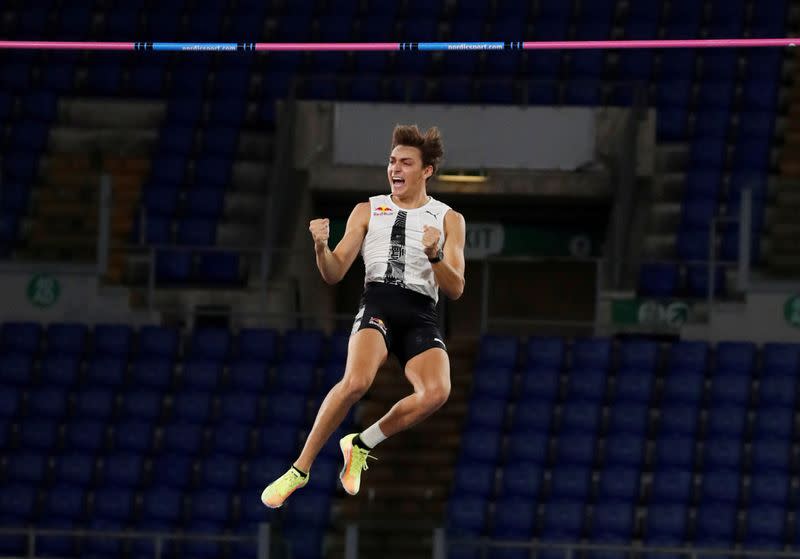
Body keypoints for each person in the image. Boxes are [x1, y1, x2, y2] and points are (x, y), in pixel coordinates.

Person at [261, 124, 466, 508]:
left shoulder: (448, 218)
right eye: (392, 162)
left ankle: (360, 443)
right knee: (356, 381)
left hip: (421, 312)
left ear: (426, 171)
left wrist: (435, 255)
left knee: (437, 392)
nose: (395, 169)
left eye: (406, 162)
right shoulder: (367, 209)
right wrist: (321, 247)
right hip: (380, 303)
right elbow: (334, 272)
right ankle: (299, 470)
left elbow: (455, 288)